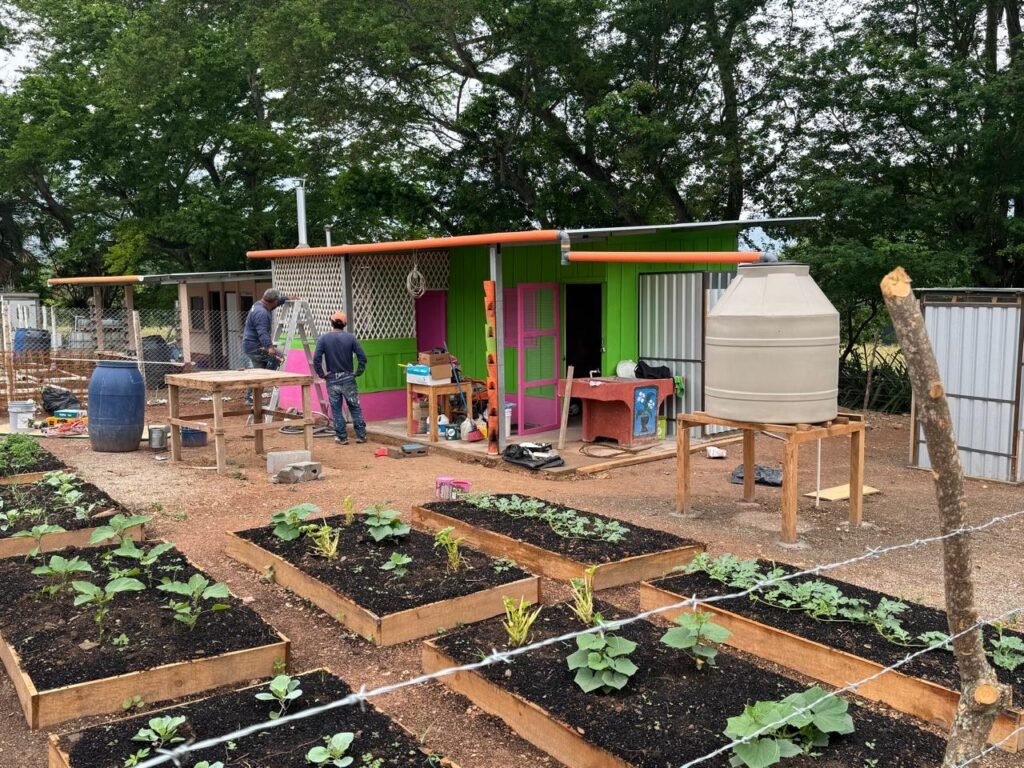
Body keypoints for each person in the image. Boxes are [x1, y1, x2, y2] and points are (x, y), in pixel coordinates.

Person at [313, 311, 368, 445]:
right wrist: (358, 372)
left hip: (332, 379)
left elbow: (316, 359)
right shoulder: (351, 338)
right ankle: (361, 436)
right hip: (348, 378)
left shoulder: (324, 339)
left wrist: (322, 374)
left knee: (336, 409)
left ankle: (342, 437)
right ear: (345, 324)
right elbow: (362, 357)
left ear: (331, 322)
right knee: (355, 407)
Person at [242, 288, 287, 405]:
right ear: (273, 301)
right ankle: (266, 381)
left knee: (258, 371)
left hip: (251, 345)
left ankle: (250, 397)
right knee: (278, 357)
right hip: (256, 347)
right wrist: (269, 347)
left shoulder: (259, 304)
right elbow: (262, 332)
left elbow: (275, 302)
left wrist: (286, 299)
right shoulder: (262, 313)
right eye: (277, 300)